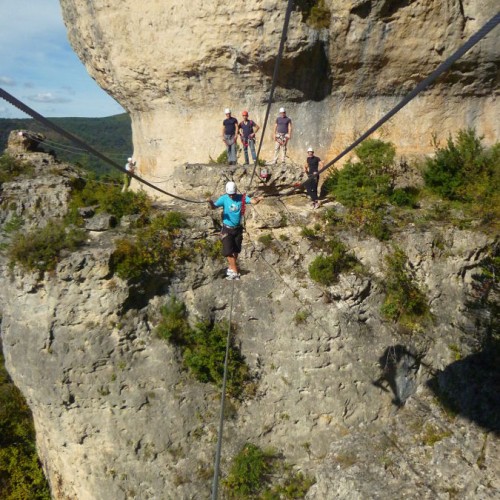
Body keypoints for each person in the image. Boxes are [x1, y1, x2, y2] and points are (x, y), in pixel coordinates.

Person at [207, 181, 263, 280]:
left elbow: (253, 201)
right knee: (228, 251)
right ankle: (235, 270)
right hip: (227, 229)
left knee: (236, 250)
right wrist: (210, 202)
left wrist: (258, 199)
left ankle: (231, 269)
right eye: (230, 195)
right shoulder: (224, 198)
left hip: (237, 229)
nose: (231, 196)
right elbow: (214, 207)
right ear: (227, 193)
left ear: (235, 192)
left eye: (233, 194)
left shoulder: (241, 197)